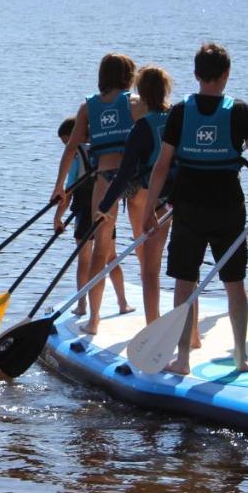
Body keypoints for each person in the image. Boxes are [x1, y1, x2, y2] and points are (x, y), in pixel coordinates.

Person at [145, 43, 248, 375]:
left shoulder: (179, 112)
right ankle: (241, 356)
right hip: (227, 209)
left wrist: (150, 208)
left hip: (188, 208)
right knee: (234, 282)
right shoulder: (241, 112)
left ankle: (183, 359)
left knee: (184, 282)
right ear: (226, 74)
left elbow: (161, 166)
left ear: (195, 74)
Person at [53, 53, 145, 334]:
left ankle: (94, 319)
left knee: (100, 249)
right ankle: (149, 311)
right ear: (129, 76)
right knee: (144, 243)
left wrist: (59, 187)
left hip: (105, 179)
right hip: (137, 178)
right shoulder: (135, 103)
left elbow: (71, 147)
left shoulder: (87, 107)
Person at [95, 64, 178, 329]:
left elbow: (123, 175)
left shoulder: (141, 128)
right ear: (166, 90)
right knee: (186, 269)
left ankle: (152, 326)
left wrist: (104, 206)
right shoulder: (180, 116)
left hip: (156, 202)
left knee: (150, 270)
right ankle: (193, 333)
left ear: (140, 94)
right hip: (182, 198)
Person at [57, 117, 129, 315]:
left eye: (66, 142)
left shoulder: (76, 155)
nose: (67, 147)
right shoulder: (104, 150)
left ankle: (82, 306)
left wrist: (57, 217)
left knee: (84, 260)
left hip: (82, 209)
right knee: (111, 257)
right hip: (105, 209)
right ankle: (122, 303)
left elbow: (68, 192)